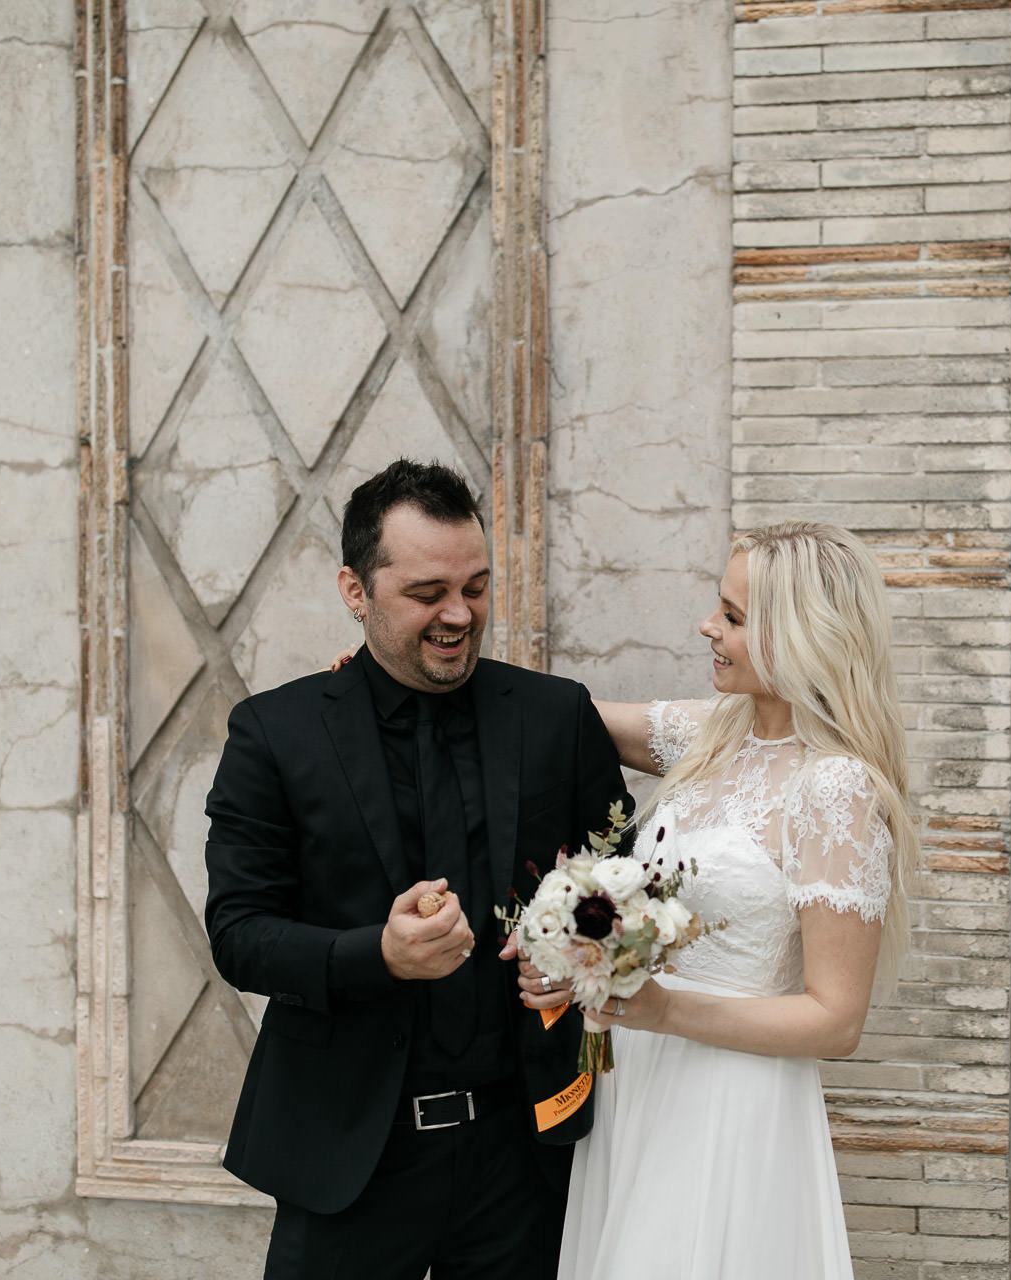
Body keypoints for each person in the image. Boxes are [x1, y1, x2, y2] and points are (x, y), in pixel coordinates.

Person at [202, 458, 631, 1279]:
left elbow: (621, 882)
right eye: (427, 592)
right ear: (355, 590)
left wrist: (579, 960)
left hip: (528, 1156)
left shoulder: (555, 716)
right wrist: (378, 955)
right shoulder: (274, 733)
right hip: (350, 1156)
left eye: (475, 587)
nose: (459, 615)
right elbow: (238, 935)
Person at [521, 521, 919, 1280]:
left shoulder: (833, 787)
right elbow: (551, 714)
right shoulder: (714, 733)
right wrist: (390, 673)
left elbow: (836, 1021)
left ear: (800, 637)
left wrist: (667, 1009)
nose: (709, 625)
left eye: (733, 617)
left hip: (730, 1103)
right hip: (638, 1083)